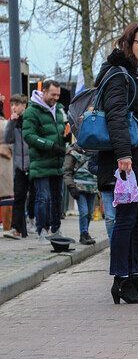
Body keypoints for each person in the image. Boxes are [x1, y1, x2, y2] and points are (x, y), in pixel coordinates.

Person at [96, 22, 138, 305]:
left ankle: (134, 278)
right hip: (125, 161)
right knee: (126, 221)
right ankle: (121, 280)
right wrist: (123, 155)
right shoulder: (119, 76)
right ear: (128, 43)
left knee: (136, 220)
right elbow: (115, 117)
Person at [22, 80, 67, 242]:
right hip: (40, 163)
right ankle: (41, 230)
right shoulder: (32, 111)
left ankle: (56, 229)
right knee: (43, 198)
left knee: (57, 198)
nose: (56, 98)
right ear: (44, 92)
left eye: (58, 95)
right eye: (53, 94)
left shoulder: (60, 110)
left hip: (57, 163)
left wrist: (66, 137)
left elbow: (63, 130)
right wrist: (50, 145)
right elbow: (28, 136)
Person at [2, 94, 34, 239]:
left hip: (33, 164)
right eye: (12, 105)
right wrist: (10, 123)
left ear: (24, 105)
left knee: (34, 197)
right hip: (19, 166)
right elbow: (7, 139)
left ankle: (36, 223)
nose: (14, 108)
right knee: (19, 197)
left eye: (17, 105)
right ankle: (18, 229)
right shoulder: (13, 122)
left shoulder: (30, 118)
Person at [62, 143, 98, 245]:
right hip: (79, 188)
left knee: (90, 213)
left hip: (93, 187)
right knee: (84, 212)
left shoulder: (97, 149)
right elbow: (67, 171)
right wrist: (71, 187)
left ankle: (85, 232)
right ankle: (84, 234)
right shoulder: (74, 151)